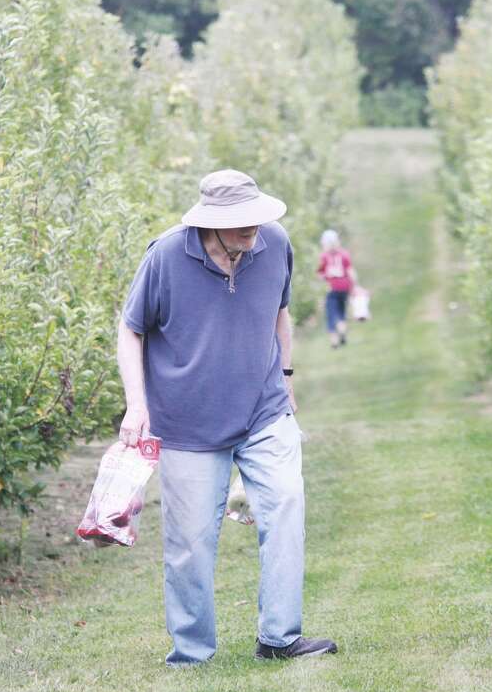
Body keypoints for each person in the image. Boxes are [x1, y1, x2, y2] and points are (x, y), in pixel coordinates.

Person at [115, 168, 338, 666]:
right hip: (188, 424)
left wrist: (286, 375)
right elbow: (131, 331)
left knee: (285, 508)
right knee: (190, 545)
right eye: (239, 223)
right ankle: (192, 652)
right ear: (209, 223)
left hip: (264, 411)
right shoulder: (167, 256)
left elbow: (279, 311)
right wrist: (137, 403)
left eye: (255, 219)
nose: (251, 230)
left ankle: (280, 638)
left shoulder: (275, 243)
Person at [316, 229, 358, 349]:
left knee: (331, 314)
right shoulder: (344, 254)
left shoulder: (323, 257)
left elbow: (319, 274)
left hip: (331, 288)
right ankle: (342, 329)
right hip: (344, 287)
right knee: (341, 311)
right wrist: (353, 286)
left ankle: (334, 342)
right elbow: (350, 272)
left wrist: (323, 278)